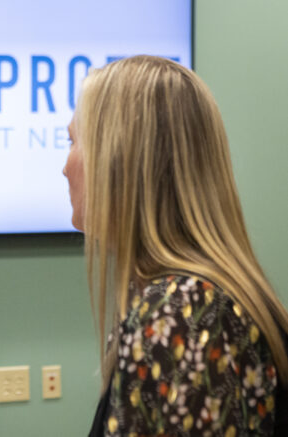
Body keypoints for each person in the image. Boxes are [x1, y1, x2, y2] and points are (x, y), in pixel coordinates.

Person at [62, 55, 288, 436]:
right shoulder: (198, 300)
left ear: (119, 160)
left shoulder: (182, 311)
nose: (65, 167)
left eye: (72, 142)